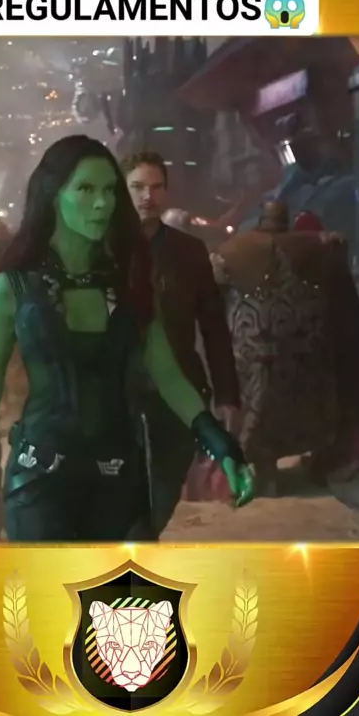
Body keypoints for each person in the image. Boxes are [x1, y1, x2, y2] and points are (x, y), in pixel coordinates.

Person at [0, 136, 253, 542]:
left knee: (122, 586)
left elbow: (168, 376)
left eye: (109, 190)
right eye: (86, 189)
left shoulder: (128, 284)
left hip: (118, 483)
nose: (102, 203)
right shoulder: (12, 288)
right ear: (54, 194)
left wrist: (220, 443)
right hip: (39, 485)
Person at [212, 199, 359, 494]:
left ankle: (266, 468)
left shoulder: (231, 251)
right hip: (305, 354)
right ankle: (313, 457)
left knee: (256, 394)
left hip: (254, 354)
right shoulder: (320, 248)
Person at [122, 151, 240, 531]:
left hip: (179, 392)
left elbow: (214, 327)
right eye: (138, 187)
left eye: (156, 187)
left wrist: (227, 395)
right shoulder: (102, 250)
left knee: (162, 495)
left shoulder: (188, 252)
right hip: (118, 393)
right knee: (122, 501)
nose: (148, 196)